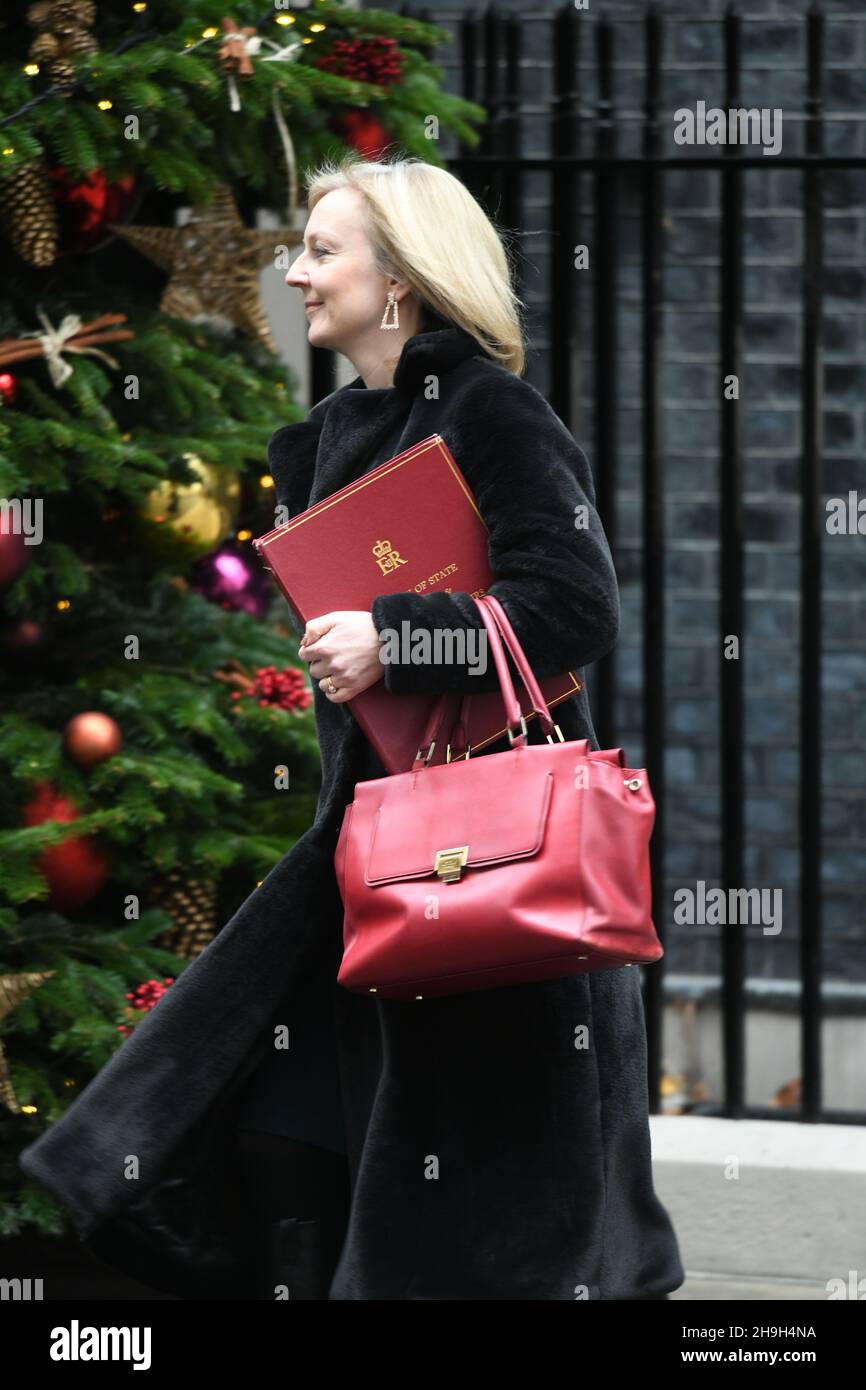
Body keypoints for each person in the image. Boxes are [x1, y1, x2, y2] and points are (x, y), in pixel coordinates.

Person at [19, 153, 684, 1301]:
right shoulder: (333, 435)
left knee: (464, 1219)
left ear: (405, 280)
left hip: (489, 877)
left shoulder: (492, 411)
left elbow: (575, 605)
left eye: (322, 251)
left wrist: (398, 633)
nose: (293, 274)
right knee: (280, 1139)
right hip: (372, 864)